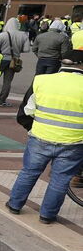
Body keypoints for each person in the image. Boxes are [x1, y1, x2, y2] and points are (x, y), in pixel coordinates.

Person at [8, 49, 83, 223]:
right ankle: (47, 215)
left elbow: (26, 111)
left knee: (29, 172)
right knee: (60, 180)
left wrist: (35, 127)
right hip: (74, 141)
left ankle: (14, 205)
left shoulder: (41, 80)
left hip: (40, 137)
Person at [0, 17, 31, 107]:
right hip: (13, 60)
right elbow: (27, 49)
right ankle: (2, 100)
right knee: (7, 81)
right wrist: (18, 50)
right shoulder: (23, 35)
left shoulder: (3, 35)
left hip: (1, 59)